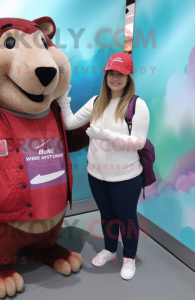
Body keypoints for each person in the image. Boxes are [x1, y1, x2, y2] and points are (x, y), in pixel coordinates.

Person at [56, 52, 150, 280]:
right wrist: (63, 101)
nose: (115, 78)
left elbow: (139, 142)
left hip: (126, 176)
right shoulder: (97, 101)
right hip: (96, 174)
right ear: (106, 75)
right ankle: (109, 249)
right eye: (111, 73)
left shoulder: (137, 105)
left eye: (121, 74)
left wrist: (106, 135)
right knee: (107, 215)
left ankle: (129, 257)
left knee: (127, 217)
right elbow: (69, 124)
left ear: (129, 77)